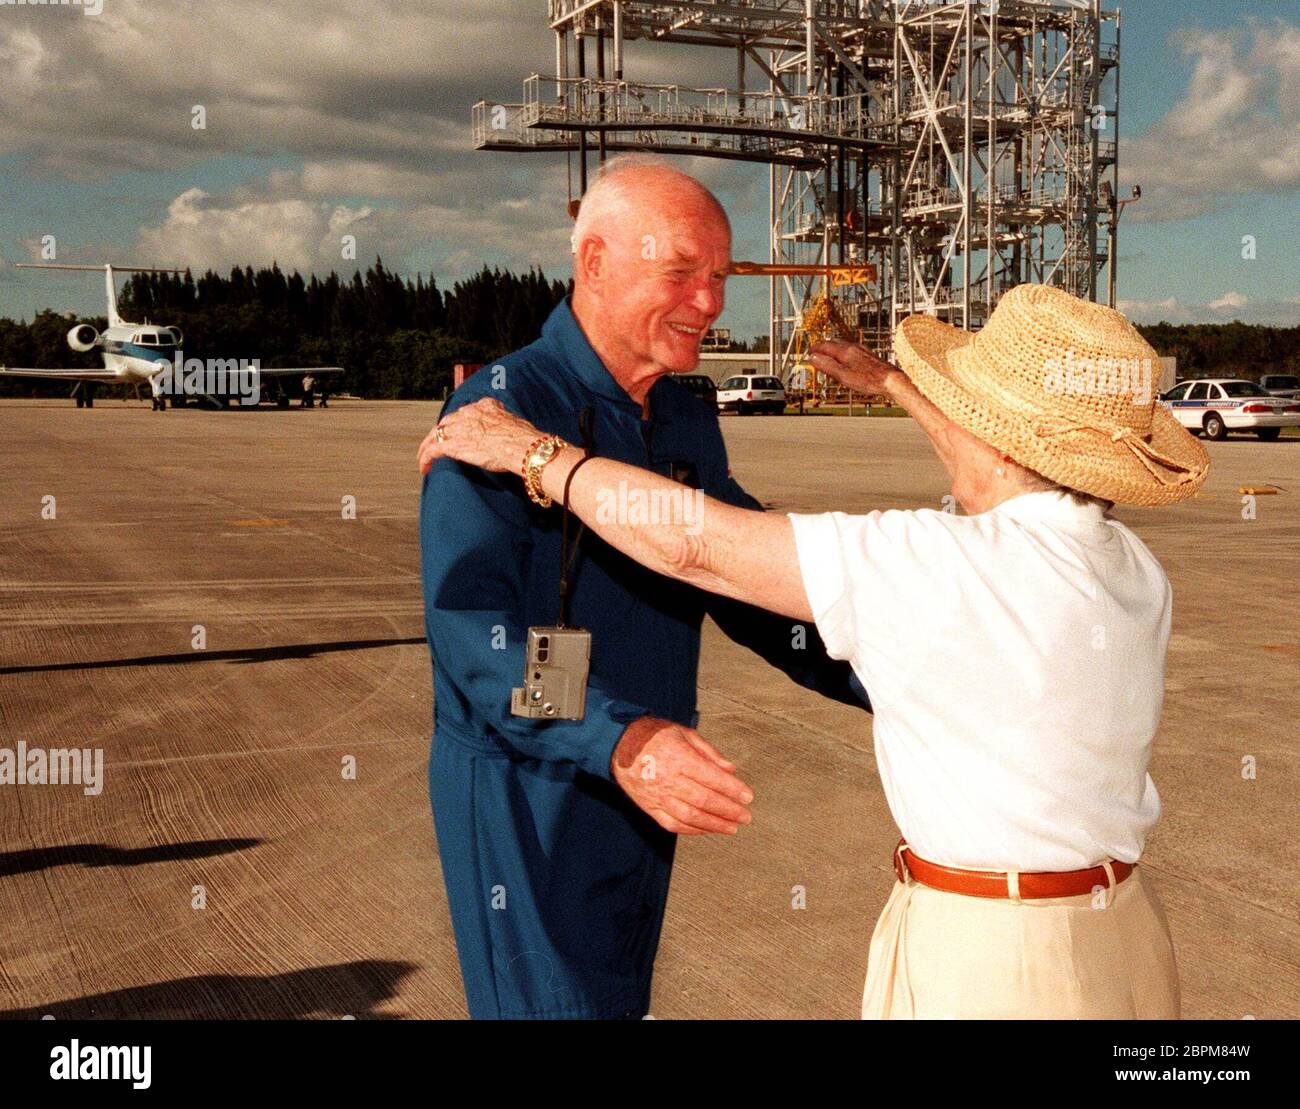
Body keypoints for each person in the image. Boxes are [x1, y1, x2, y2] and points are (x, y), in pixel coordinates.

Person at [420, 282, 1210, 1019]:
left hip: (994, 964)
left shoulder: (940, 564)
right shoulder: (1133, 569)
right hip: (1122, 942)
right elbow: (476, 635)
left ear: (999, 441)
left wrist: (533, 455)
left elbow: (697, 546)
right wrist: (896, 385)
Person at [417, 155, 870, 1020]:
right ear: (593, 263)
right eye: (681, 274)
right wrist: (617, 741)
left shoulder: (681, 412)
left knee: (619, 1001)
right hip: (532, 779)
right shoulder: (497, 414)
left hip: (648, 766)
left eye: (718, 278)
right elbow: (474, 635)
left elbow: (739, 579)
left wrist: (880, 671)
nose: (709, 303)